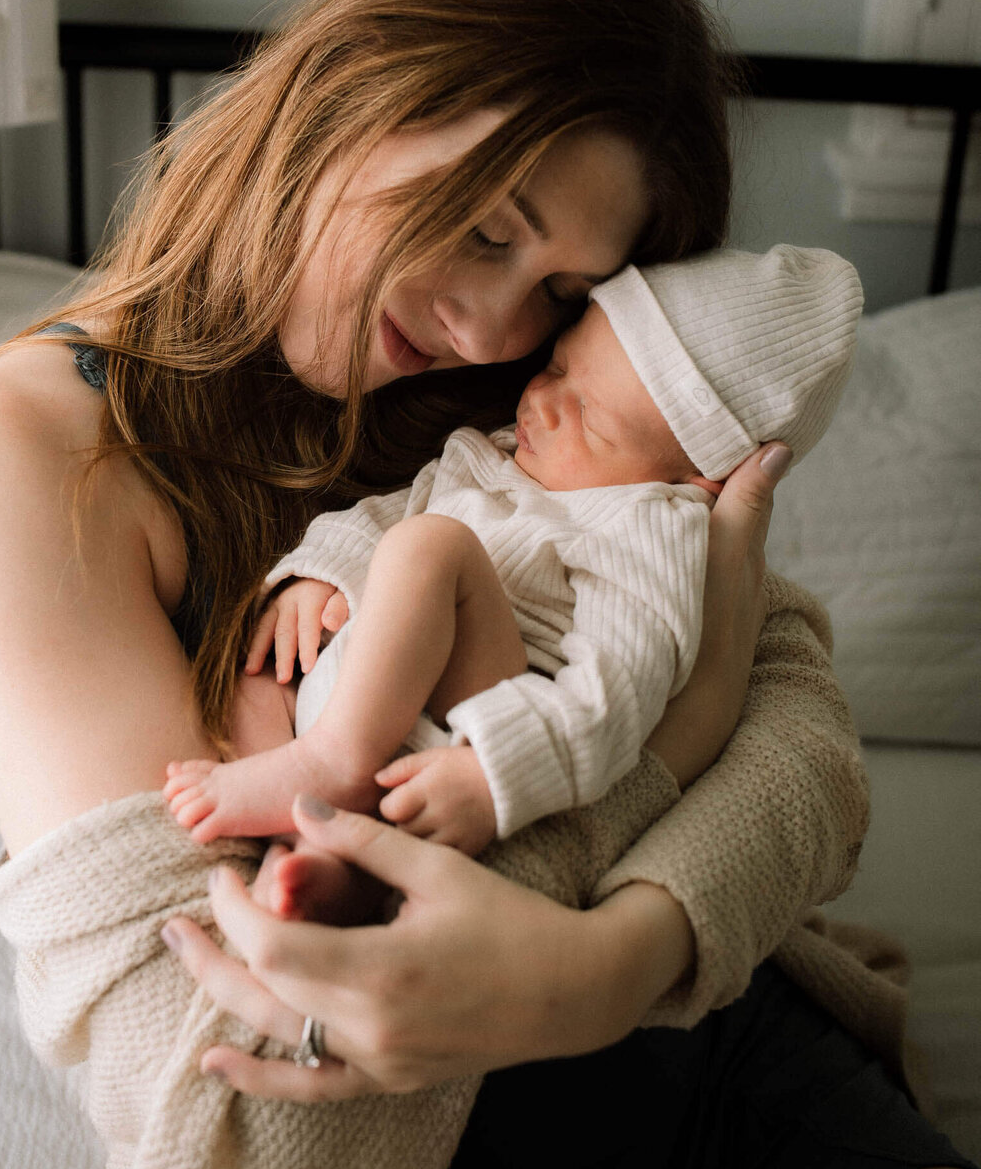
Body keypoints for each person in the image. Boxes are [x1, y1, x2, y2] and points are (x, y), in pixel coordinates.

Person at [0, 0, 981, 1169]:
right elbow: (219, 1035)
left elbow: (808, 762)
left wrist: (611, 967)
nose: (490, 328)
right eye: (482, 228)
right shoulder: (30, 463)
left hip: (735, 1106)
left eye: (560, 291)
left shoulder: (525, 407)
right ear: (354, 87)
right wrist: (643, 806)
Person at [163, 245, 864, 931]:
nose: (545, 401)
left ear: (692, 481)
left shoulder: (648, 526)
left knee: (434, 547)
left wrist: (497, 777)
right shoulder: (496, 452)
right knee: (251, 666)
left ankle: (328, 766)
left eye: (590, 416)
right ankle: (312, 859)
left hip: (470, 718)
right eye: (559, 366)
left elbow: (619, 689)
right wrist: (321, 575)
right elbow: (384, 515)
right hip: (365, 689)